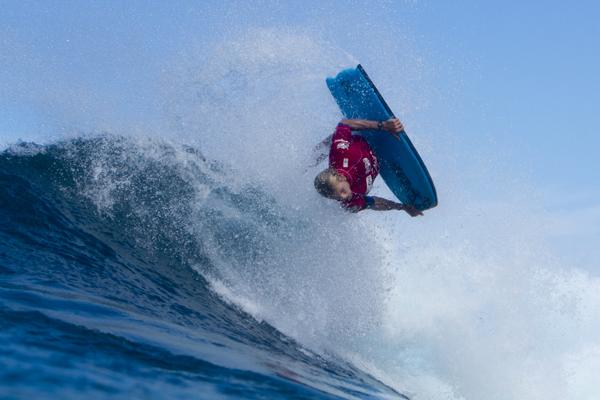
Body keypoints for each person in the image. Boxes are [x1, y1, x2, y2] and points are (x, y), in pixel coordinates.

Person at [313, 118, 423, 216]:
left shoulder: (341, 152)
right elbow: (374, 203)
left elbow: (344, 123)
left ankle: (314, 155)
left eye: (341, 191)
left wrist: (383, 125)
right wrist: (402, 207)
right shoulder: (350, 203)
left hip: (368, 138)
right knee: (353, 207)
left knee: (336, 137)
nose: (343, 198)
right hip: (380, 161)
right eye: (336, 198)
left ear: (341, 177)